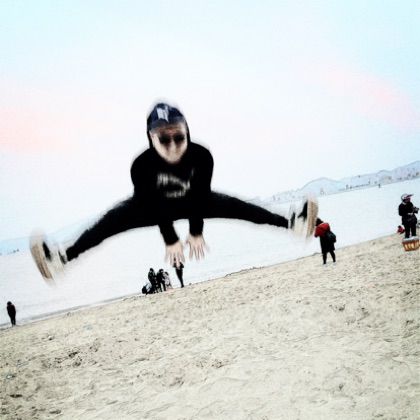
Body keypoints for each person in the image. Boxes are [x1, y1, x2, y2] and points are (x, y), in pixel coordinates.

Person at [30, 102, 318, 284]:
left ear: (187, 132)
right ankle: (62, 258)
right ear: (151, 138)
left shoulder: (201, 156)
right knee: (109, 222)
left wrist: (195, 231)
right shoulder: (141, 166)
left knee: (240, 207)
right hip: (149, 206)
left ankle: (293, 223)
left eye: (179, 136)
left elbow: (201, 197)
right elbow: (152, 204)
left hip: (194, 201)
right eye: (163, 138)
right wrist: (170, 239)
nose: (172, 145)